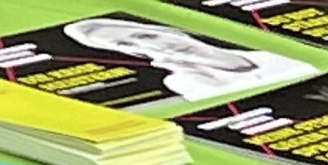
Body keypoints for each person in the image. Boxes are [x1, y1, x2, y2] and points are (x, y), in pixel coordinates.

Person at [59, 16, 303, 101]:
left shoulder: (278, 53)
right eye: (128, 45)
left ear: (171, 31)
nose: (152, 46)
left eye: (146, 36)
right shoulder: (182, 81)